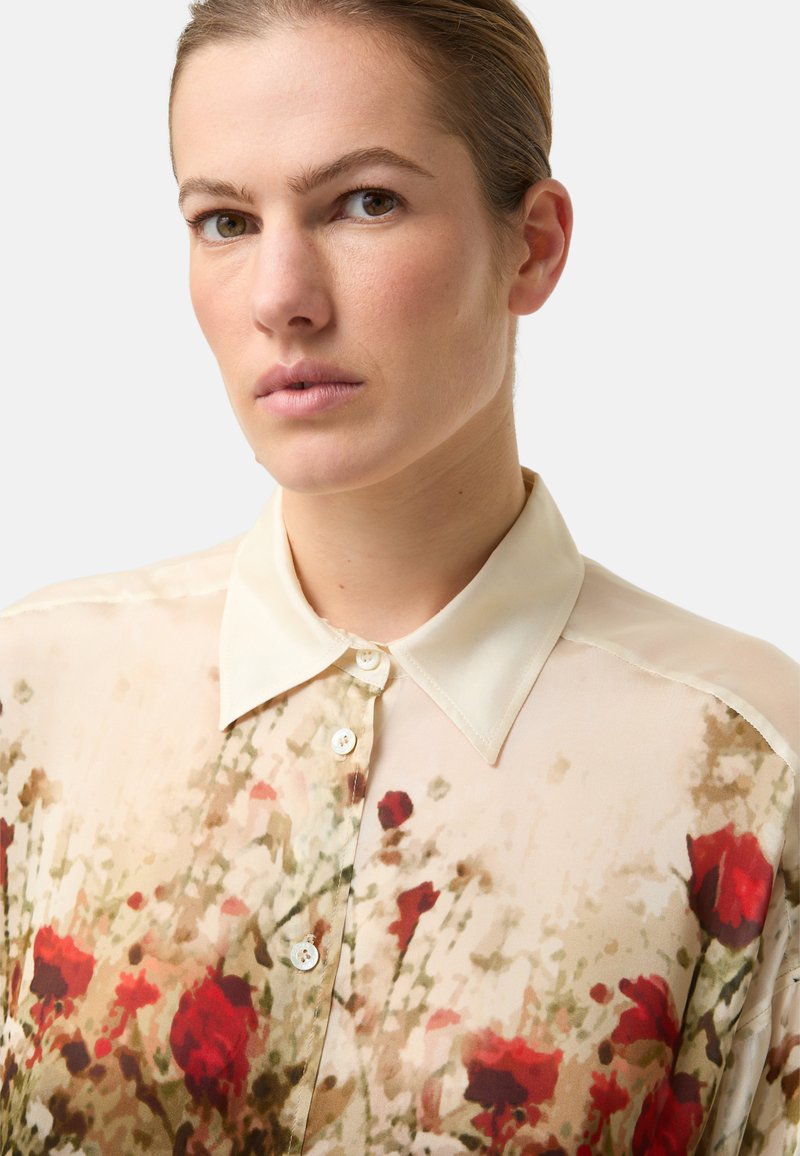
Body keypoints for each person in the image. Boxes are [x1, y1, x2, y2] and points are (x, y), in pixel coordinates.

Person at [1, 1, 797, 1153]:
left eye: (363, 202)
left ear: (532, 245)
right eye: (225, 221)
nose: (279, 294)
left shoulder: (740, 765)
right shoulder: (35, 701)